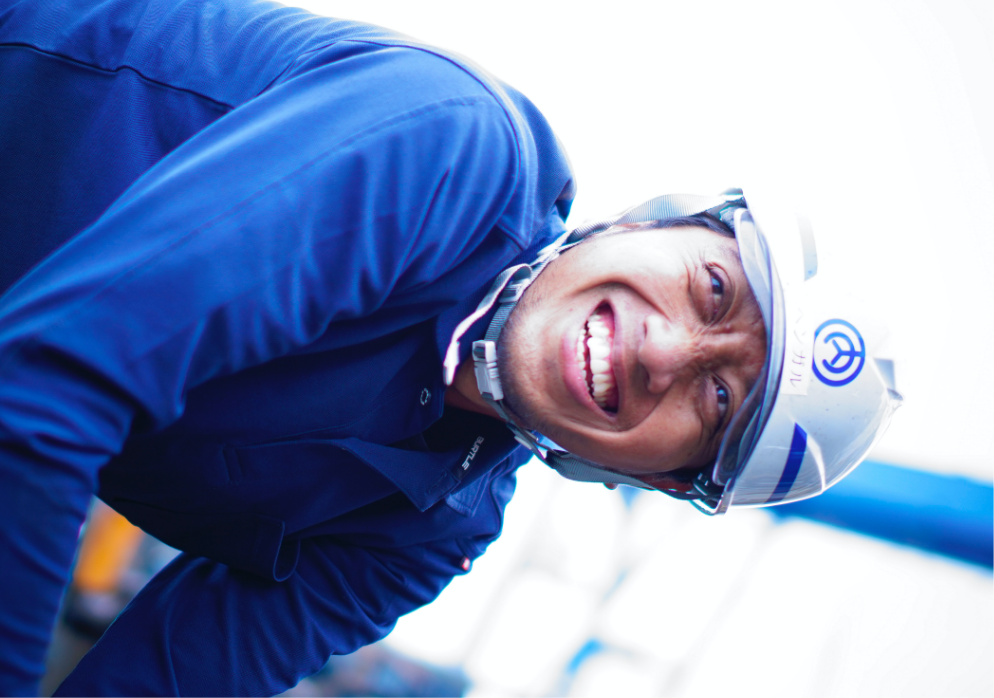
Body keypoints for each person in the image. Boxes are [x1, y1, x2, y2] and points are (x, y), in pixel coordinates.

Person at [0, 0, 901, 696]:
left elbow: (162, 683)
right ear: (651, 222)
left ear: (664, 479)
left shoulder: (424, 537)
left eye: (717, 402)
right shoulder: (453, 151)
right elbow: (48, 389)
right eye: (712, 290)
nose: (664, 352)